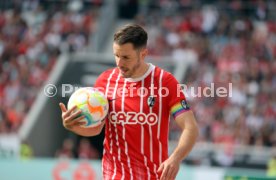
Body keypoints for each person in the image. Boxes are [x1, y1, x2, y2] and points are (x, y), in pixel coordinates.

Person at [59, 24, 198, 180]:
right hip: (115, 174)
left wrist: (175, 158)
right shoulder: (105, 81)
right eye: (116, 55)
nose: (119, 63)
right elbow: (96, 129)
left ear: (143, 54)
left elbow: (190, 127)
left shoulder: (165, 82)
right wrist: (72, 126)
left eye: (125, 57)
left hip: (153, 175)